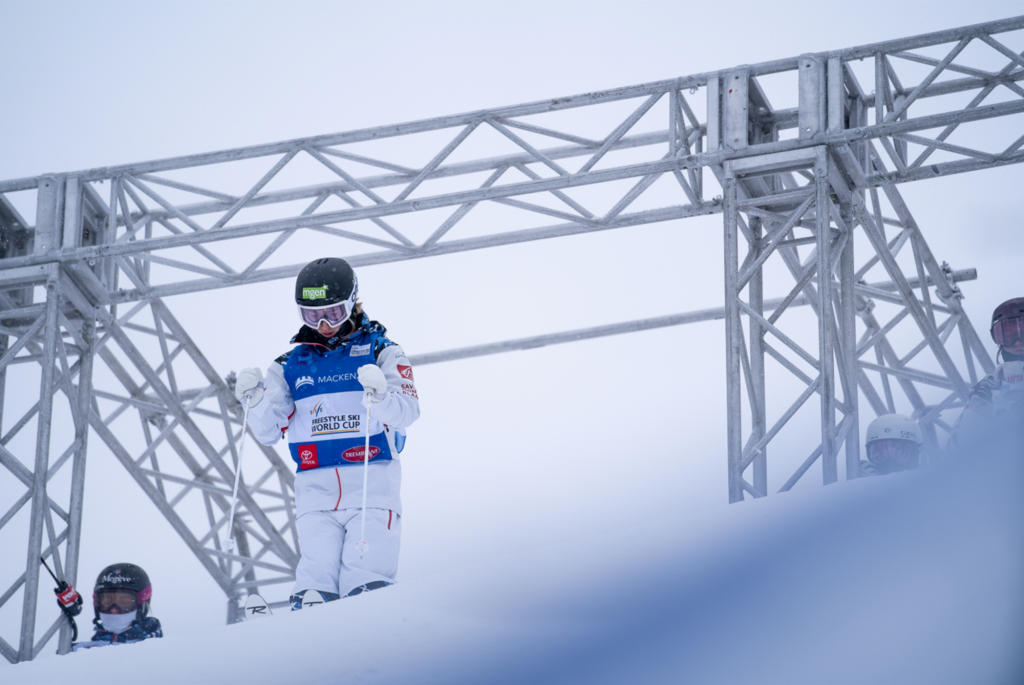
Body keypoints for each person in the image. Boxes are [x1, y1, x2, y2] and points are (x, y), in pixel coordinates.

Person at [234, 257, 420, 609]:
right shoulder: (288, 365)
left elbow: (408, 412)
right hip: (315, 494)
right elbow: (270, 432)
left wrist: (381, 397)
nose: (323, 325)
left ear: (353, 302)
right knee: (314, 580)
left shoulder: (383, 350)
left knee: (364, 579)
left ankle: (370, 632)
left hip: (371, 489)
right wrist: (255, 401)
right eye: (310, 315)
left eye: (333, 313)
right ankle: (307, 624)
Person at [950, 297, 1024, 456]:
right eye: (1008, 334)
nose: (1018, 342)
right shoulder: (988, 389)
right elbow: (958, 450)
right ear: (998, 340)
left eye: (1023, 333)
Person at [71, 563, 163, 652]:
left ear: (142, 605)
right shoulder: (78, 652)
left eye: (124, 602)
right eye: (106, 602)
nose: (114, 610)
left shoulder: (158, 652)